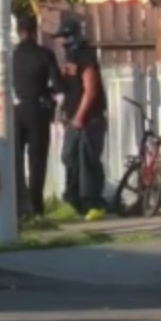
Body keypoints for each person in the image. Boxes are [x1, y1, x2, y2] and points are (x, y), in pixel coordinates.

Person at [54, 19, 108, 220]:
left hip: (89, 119)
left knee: (88, 161)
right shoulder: (70, 58)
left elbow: (91, 89)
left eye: (64, 38)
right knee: (70, 158)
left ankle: (93, 204)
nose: (61, 42)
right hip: (73, 118)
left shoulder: (85, 56)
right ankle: (73, 201)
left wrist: (80, 117)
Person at [11, 14, 61, 218]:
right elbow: (58, 84)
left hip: (16, 110)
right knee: (37, 160)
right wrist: (49, 94)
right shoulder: (44, 55)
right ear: (34, 31)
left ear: (18, 32)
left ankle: (17, 206)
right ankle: (35, 207)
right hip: (37, 110)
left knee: (15, 159)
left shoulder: (12, 56)